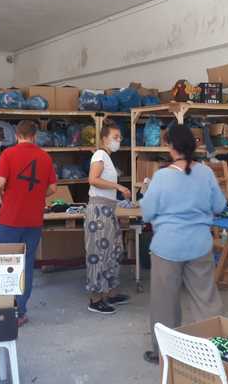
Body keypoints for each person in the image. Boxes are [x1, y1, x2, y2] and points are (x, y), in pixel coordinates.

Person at [140, 124, 226, 364]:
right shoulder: (206, 173)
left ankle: (163, 353)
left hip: (167, 247)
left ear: (170, 147)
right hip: (199, 244)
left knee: (164, 303)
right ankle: (213, 352)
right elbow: (219, 206)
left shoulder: (162, 176)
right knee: (206, 300)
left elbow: (146, 213)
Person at [0, 120, 57, 327]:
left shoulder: (8, 154)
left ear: (17, 135)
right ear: (34, 136)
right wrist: (37, 195)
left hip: (9, 220)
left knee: (3, 265)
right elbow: (53, 188)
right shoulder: (45, 157)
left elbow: (0, 182)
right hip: (33, 222)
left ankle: (2, 310)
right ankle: (20, 312)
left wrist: (1, 190)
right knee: (26, 266)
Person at [85, 119, 131, 315]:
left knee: (113, 250)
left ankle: (111, 292)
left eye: (119, 137)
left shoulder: (108, 158)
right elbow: (93, 180)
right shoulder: (100, 154)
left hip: (108, 209)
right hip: (98, 212)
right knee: (98, 254)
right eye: (115, 137)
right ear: (104, 139)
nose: (118, 140)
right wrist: (118, 187)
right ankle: (96, 299)